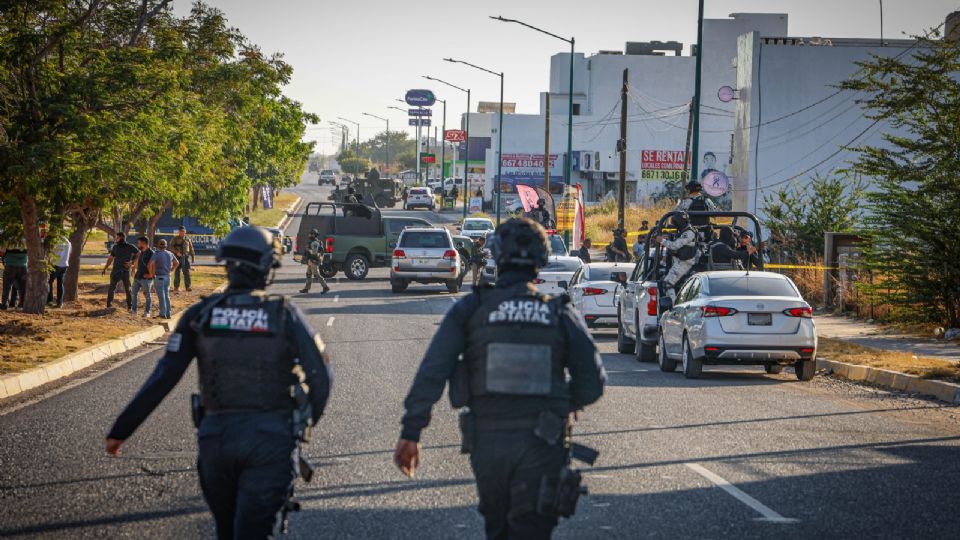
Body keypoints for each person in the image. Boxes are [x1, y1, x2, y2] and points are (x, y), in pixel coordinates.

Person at [106, 226, 332, 540]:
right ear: (268, 268)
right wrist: (304, 423)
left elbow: (164, 377)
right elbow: (321, 377)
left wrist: (121, 429)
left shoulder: (200, 315)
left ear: (225, 263)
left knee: (227, 531)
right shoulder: (283, 315)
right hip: (271, 441)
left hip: (217, 442)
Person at [394, 217, 606, 540]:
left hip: (488, 443)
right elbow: (593, 380)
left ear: (495, 255)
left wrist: (412, 432)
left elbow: (433, 371)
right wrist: (563, 403)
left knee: (498, 529)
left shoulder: (471, 309)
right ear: (541, 260)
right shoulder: (559, 312)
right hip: (543, 442)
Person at [657, 213, 700, 301]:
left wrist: (662, 241)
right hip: (680, 262)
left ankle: (674, 306)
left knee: (667, 284)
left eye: (676, 223)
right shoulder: (685, 231)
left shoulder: (689, 232)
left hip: (685, 263)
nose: (675, 226)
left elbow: (675, 246)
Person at [103, 233, 138, 310]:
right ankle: (109, 306)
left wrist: (132, 262)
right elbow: (111, 258)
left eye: (117, 237)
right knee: (111, 288)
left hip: (125, 271)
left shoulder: (130, 246)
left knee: (128, 289)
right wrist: (105, 267)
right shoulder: (115, 247)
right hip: (116, 270)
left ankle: (130, 307)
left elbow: (138, 253)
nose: (116, 239)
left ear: (122, 238)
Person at [152, 239, 179, 319]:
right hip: (167, 276)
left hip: (159, 276)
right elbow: (177, 263)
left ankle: (162, 313)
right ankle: (168, 313)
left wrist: (152, 274)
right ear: (166, 246)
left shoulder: (156, 254)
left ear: (158, 245)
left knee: (161, 296)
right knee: (166, 295)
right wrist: (172, 270)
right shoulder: (170, 253)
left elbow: (151, 263)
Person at [299, 229, 330, 295]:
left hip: (314, 261)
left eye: (310, 234)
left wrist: (308, 249)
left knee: (317, 275)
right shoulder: (312, 242)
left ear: (313, 235)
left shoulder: (315, 243)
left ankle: (325, 287)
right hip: (311, 260)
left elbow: (314, 252)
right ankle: (306, 288)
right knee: (308, 274)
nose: (309, 235)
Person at [130, 237, 155, 317]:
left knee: (147, 295)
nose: (138, 245)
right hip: (138, 277)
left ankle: (147, 312)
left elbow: (154, 265)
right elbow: (137, 261)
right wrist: (133, 269)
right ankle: (134, 311)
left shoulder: (151, 253)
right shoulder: (141, 252)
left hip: (146, 278)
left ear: (144, 243)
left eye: (139, 243)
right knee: (134, 293)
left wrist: (151, 275)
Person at [1, 243, 28, 310]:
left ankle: (5, 304)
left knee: (7, 286)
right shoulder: (26, 237)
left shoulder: (8, 237)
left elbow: (2, 252)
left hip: (10, 264)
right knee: (22, 287)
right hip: (23, 265)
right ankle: (21, 305)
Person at [170, 227, 195, 293]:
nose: (182, 232)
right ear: (179, 232)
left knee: (186, 272)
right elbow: (171, 247)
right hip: (177, 257)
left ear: (185, 232)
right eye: (180, 231)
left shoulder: (187, 239)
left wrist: (192, 256)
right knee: (177, 272)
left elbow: (191, 248)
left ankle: (188, 287)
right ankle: (176, 287)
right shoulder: (175, 239)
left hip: (185, 257)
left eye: (183, 231)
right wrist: (177, 252)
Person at [47, 239, 71, 307]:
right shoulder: (68, 242)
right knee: (60, 284)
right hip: (64, 264)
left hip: (56, 264)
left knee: (49, 281)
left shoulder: (57, 240)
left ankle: (50, 301)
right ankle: (60, 302)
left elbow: (54, 254)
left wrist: (49, 261)